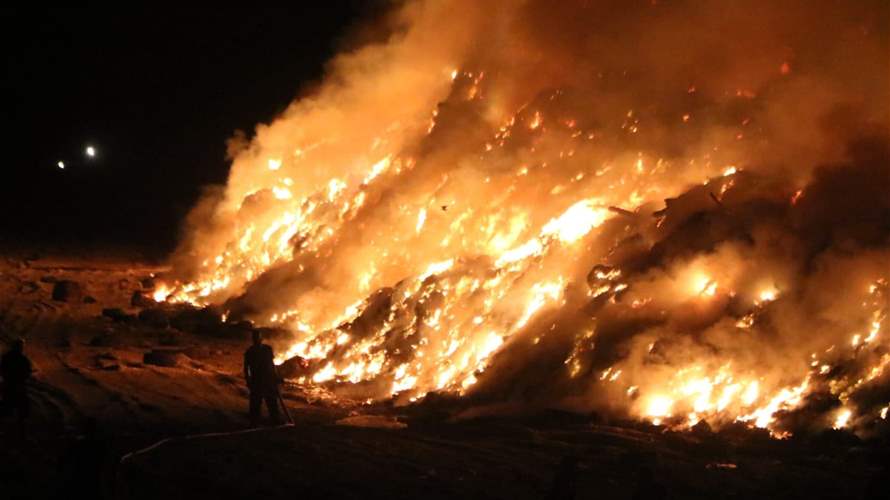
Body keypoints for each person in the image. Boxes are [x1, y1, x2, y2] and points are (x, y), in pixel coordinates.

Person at [243, 330, 281, 426]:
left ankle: (275, 419)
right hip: (257, 380)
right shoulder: (249, 352)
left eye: (258, 338)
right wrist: (248, 380)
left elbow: (272, 364)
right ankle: (254, 421)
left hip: (269, 379)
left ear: (261, 339)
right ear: (253, 339)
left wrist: (275, 376)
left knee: (272, 400)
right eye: (255, 338)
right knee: (255, 402)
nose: (257, 340)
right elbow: (246, 368)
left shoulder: (267, 349)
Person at [1, 338, 33, 433]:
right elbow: (27, 371)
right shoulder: (22, 359)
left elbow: (2, 369)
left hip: (10, 383)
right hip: (17, 384)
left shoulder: (6, 357)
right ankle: (20, 426)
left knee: (8, 403)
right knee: (22, 405)